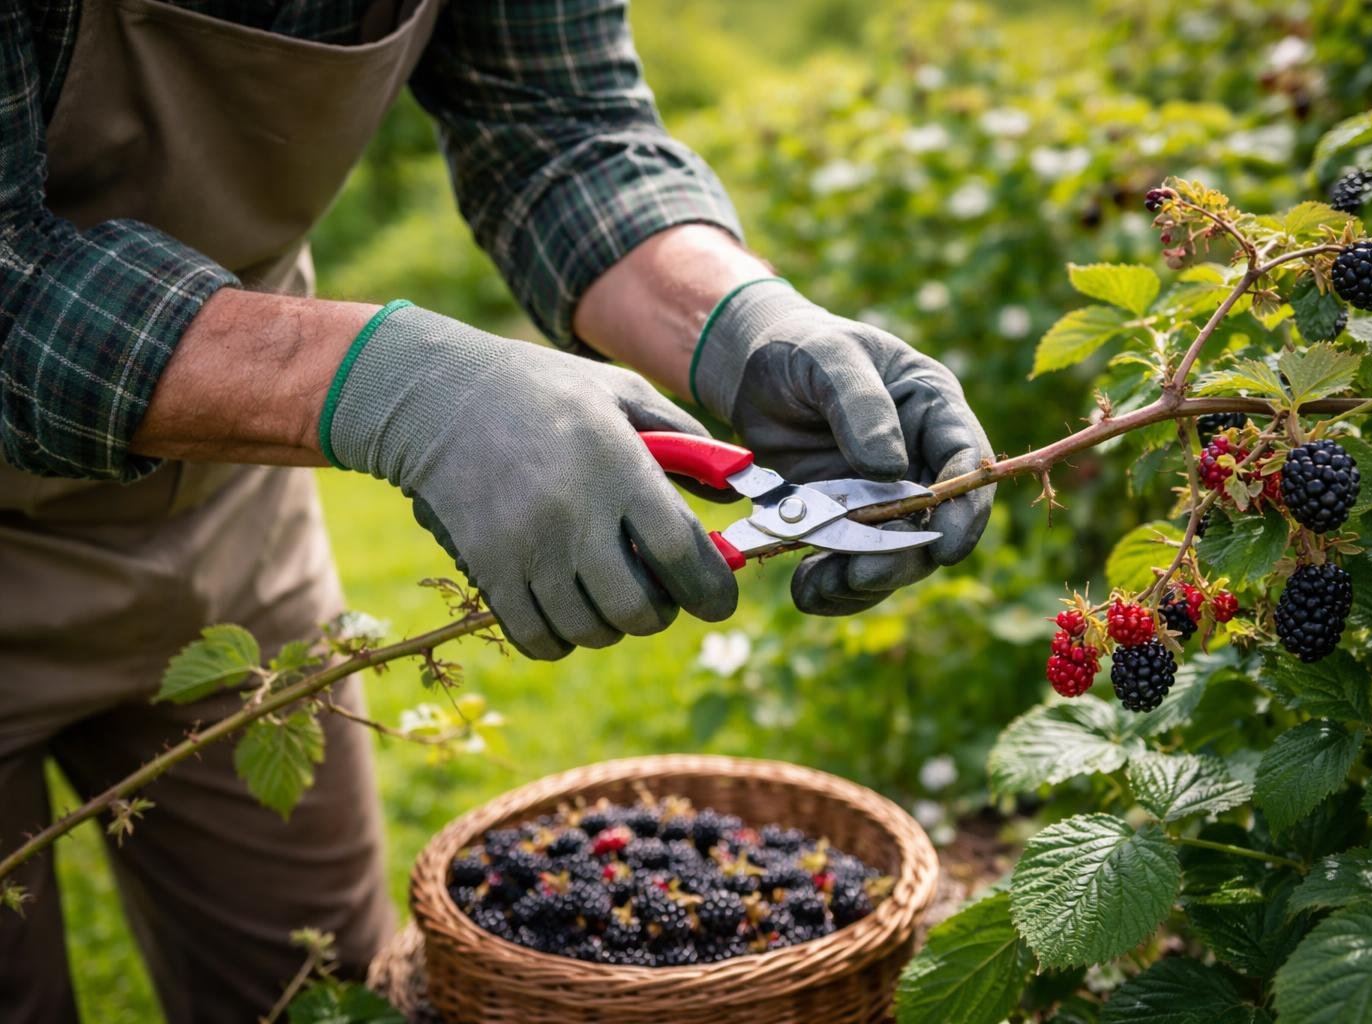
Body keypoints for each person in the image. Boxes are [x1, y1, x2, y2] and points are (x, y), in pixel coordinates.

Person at [0, 1, 994, 1020]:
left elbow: (557, 121)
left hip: (223, 490)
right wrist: (390, 384)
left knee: (311, 988)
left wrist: (740, 318)